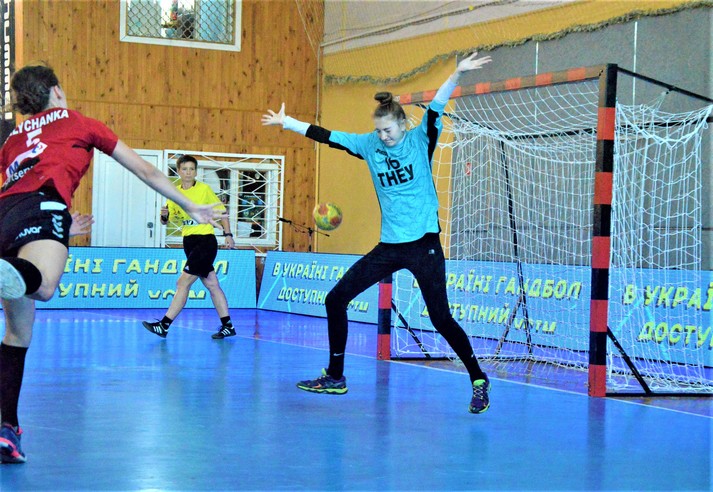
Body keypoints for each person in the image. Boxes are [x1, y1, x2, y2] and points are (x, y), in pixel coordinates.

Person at [0, 63, 223, 464]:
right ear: (56, 91)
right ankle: (6, 428)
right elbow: (145, 169)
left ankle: (8, 431)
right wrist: (191, 205)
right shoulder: (79, 122)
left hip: (6, 216)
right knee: (44, 285)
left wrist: (60, 229)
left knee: (16, 333)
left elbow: (15, 190)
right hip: (43, 204)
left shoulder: (13, 140)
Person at [262, 53, 494, 414]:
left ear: (402, 124)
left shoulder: (421, 140)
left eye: (388, 130)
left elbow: (437, 106)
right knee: (335, 299)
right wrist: (287, 122)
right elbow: (328, 137)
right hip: (389, 247)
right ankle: (335, 376)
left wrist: (457, 73)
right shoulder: (369, 145)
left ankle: (478, 379)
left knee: (440, 318)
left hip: (424, 245)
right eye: (379, 131)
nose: (383, 136)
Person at [142, 154, 236, 340]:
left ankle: (164, 325)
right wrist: (164, 216)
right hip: (189, 242)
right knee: (212, 284)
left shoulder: (204, 189)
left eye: (192, 169)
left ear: (195, 172)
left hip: (205, 242)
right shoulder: (174, 193)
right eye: (184, 169)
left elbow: (222, 212)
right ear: (178, 171)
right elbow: (166, 221)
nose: (188, 172)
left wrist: (228, 235)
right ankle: (228, 326)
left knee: (182, 283)